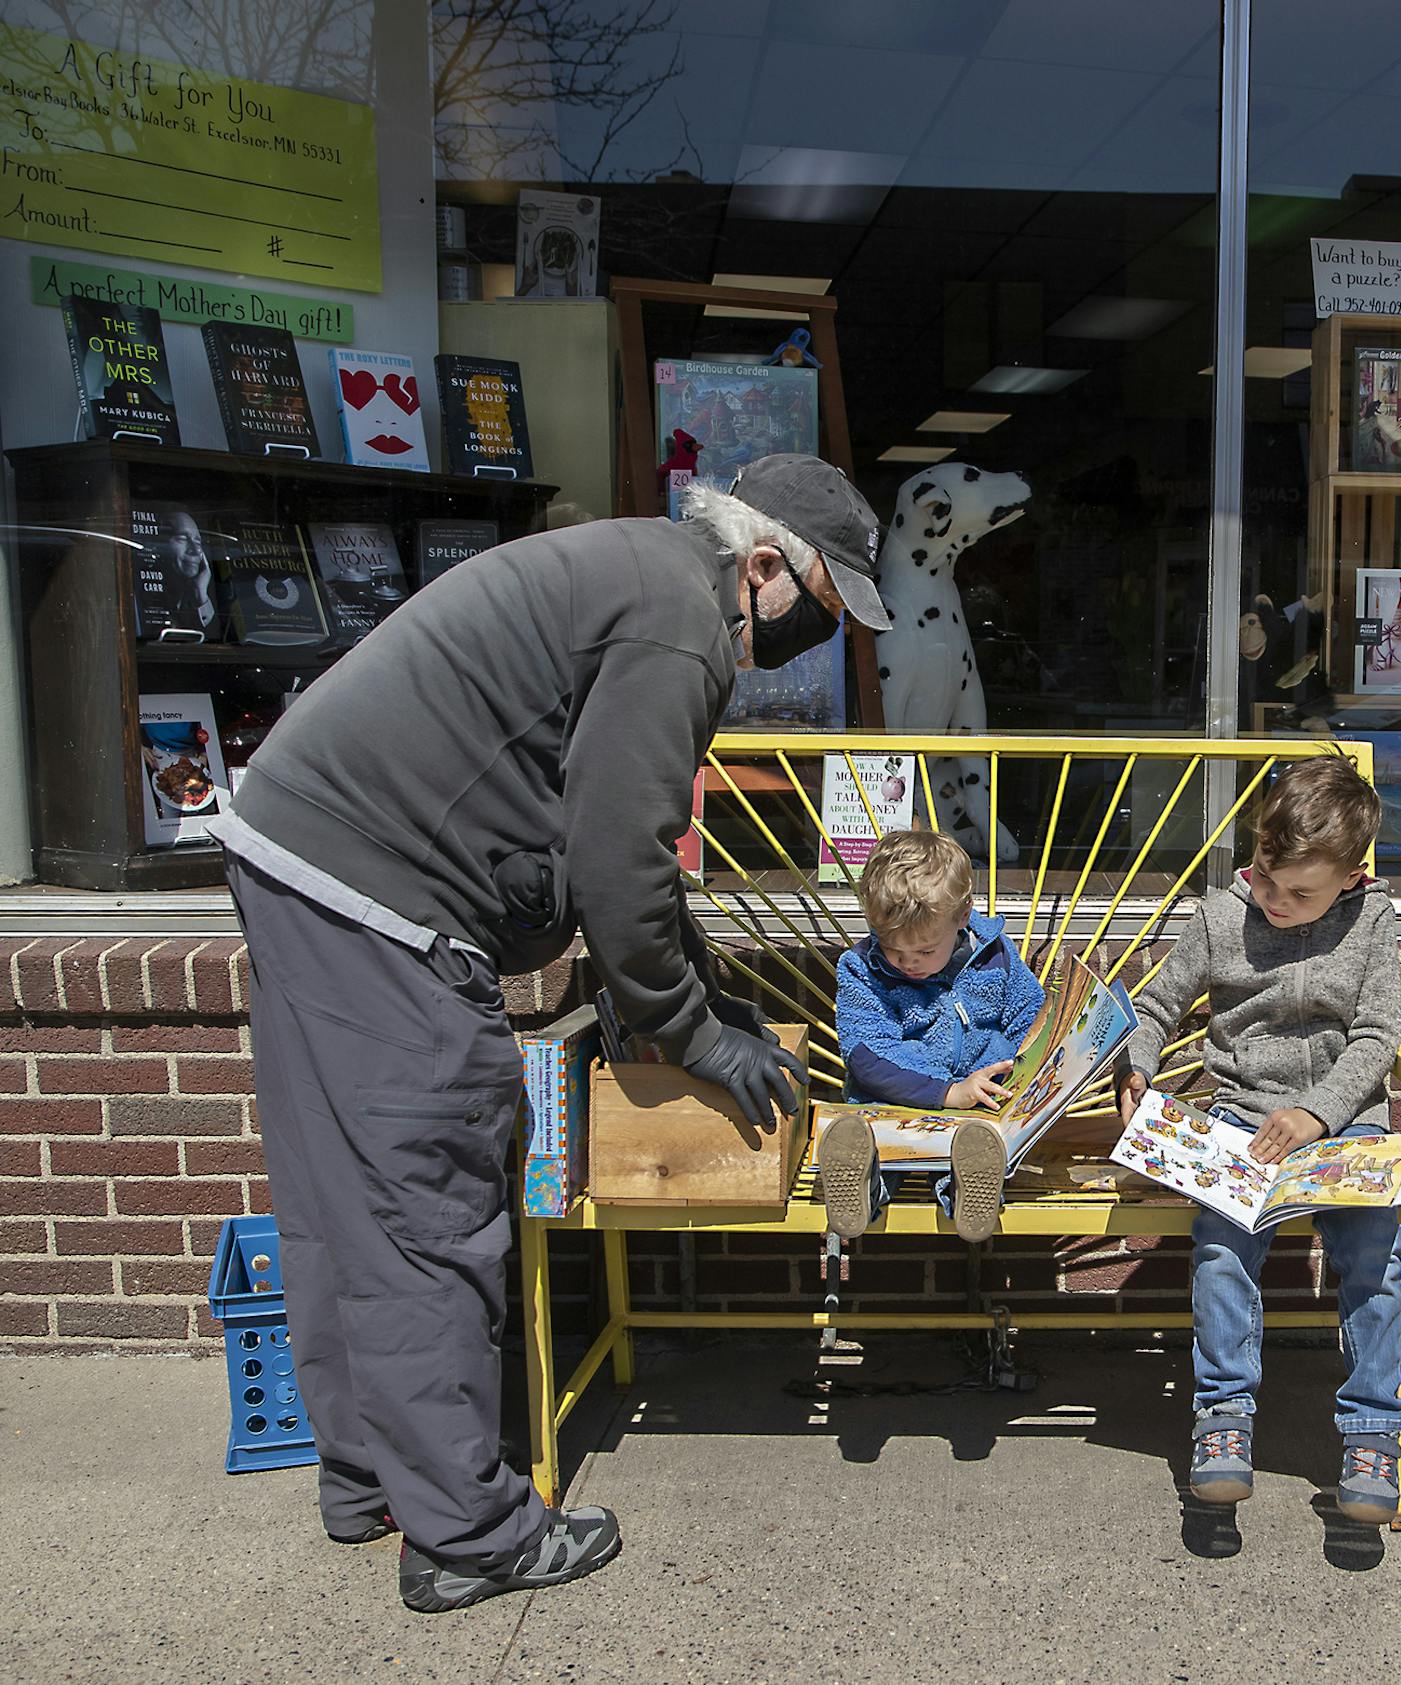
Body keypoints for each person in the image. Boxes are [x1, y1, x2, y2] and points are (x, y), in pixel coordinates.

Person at [212, 455, 892, 1613]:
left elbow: (615, 839)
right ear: (765, 564)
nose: (825, 636)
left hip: (301, 851)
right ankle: (468, 1536)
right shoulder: (683, 622)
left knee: (341, 1197)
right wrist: (695, 1032)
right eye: (827, 609)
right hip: (379, 888)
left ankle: (372, 1478)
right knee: (432, 1190)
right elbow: (621, 861)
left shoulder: (644, 575)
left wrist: (702, 989)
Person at [1117, 756, 1401, 1525]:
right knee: (1221, 1245)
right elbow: (1153, 1007)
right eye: (1264, 879)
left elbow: (1378, 1038)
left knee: (1376, 1253)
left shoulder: (1373, 922)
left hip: (1345, 1120)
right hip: (1244, 1115)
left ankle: (1374, 1431)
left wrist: (1319, 1112)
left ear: (1351, 878)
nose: (1274, 901)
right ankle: (1222, 1419)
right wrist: (1139, 1068)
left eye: (1299, 892)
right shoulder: (1220, 916)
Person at [824, 829, 1045, 1244]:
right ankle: (864, 1185)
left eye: (925, 951)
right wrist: (945, 1093)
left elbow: (1029, 1017)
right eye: (891, 948)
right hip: (899, 1103)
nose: (908, 963)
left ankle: (968, 1191)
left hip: (981, 1109)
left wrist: (1021, 1074)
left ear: (963, 918)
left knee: (981, 1144)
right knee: (882, 1144)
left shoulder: (995, 956)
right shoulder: (862, 970)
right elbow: (867, 1054)